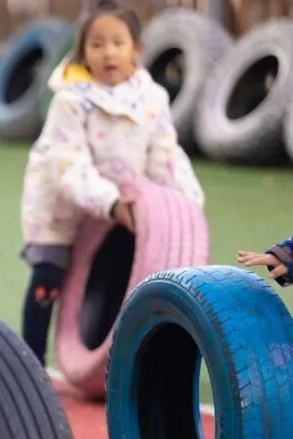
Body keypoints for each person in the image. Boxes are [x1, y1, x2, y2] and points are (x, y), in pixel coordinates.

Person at [20, 0, 204, 365]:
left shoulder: (151, 98)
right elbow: (68, 164)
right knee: (48, 279)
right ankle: (31, 363)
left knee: (117, 274)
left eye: (118, 43)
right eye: (97, 44)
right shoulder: (72, 99)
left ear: (137, 49)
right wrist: (109, 202)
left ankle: (109, 360)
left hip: (119, 209)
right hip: (62, 210)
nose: (108, 53)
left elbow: (165, 155)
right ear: (83, 52)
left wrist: (188, 204)